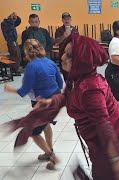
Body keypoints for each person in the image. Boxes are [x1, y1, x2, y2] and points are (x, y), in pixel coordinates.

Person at [38, 32, 119, 179]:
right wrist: (51, 102)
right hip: (105, 135)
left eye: (69, 55)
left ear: (82, 60)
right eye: (64, 53)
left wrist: (116, 159)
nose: (62, 57)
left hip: (118, 134)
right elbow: (67, 96)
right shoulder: (77, 78)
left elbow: (103, 123)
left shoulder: (91, 87)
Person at [3, 39, 63, 170]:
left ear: (26, 52)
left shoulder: (31, 66)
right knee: (45, 125)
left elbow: (23, 91)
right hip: (55, 100)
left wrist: (9, 89)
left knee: (33, 132)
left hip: (42, 103)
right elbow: (60, 84)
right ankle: (49, 149)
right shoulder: (50, 62)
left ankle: (52, 156)